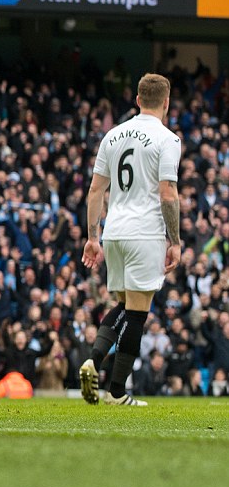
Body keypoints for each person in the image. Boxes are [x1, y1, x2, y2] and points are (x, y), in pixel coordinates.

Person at [80, 73, 182, 407]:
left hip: (114, 233)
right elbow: (168, 194)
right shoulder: (168, 140)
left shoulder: (112, 135)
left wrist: (92, 237)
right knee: (137, 313)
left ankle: (97, 367)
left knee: (124, 306)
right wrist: (175, 240)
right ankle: (115, 388)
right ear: (166, 103)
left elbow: (96, 189)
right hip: (145, 233)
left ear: (138, 99)